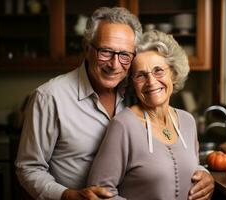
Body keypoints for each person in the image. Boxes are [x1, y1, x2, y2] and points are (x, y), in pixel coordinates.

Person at [15, 7, 142, 200]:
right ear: (86, 48)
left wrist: (200, 172)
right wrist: (68, 196)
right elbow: (29, 168)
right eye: (105, 52)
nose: (115, 65)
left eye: (125, 55)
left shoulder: (137, 92)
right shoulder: (49, 97)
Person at [87, 30, 214, 200]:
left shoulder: (187, 121)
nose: (151, 82)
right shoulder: (123, 125)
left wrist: (205, 174)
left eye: (158, 71)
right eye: (140, 75)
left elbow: (191, 165)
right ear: (132, 83)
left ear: (173, 73)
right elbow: (98, 191)